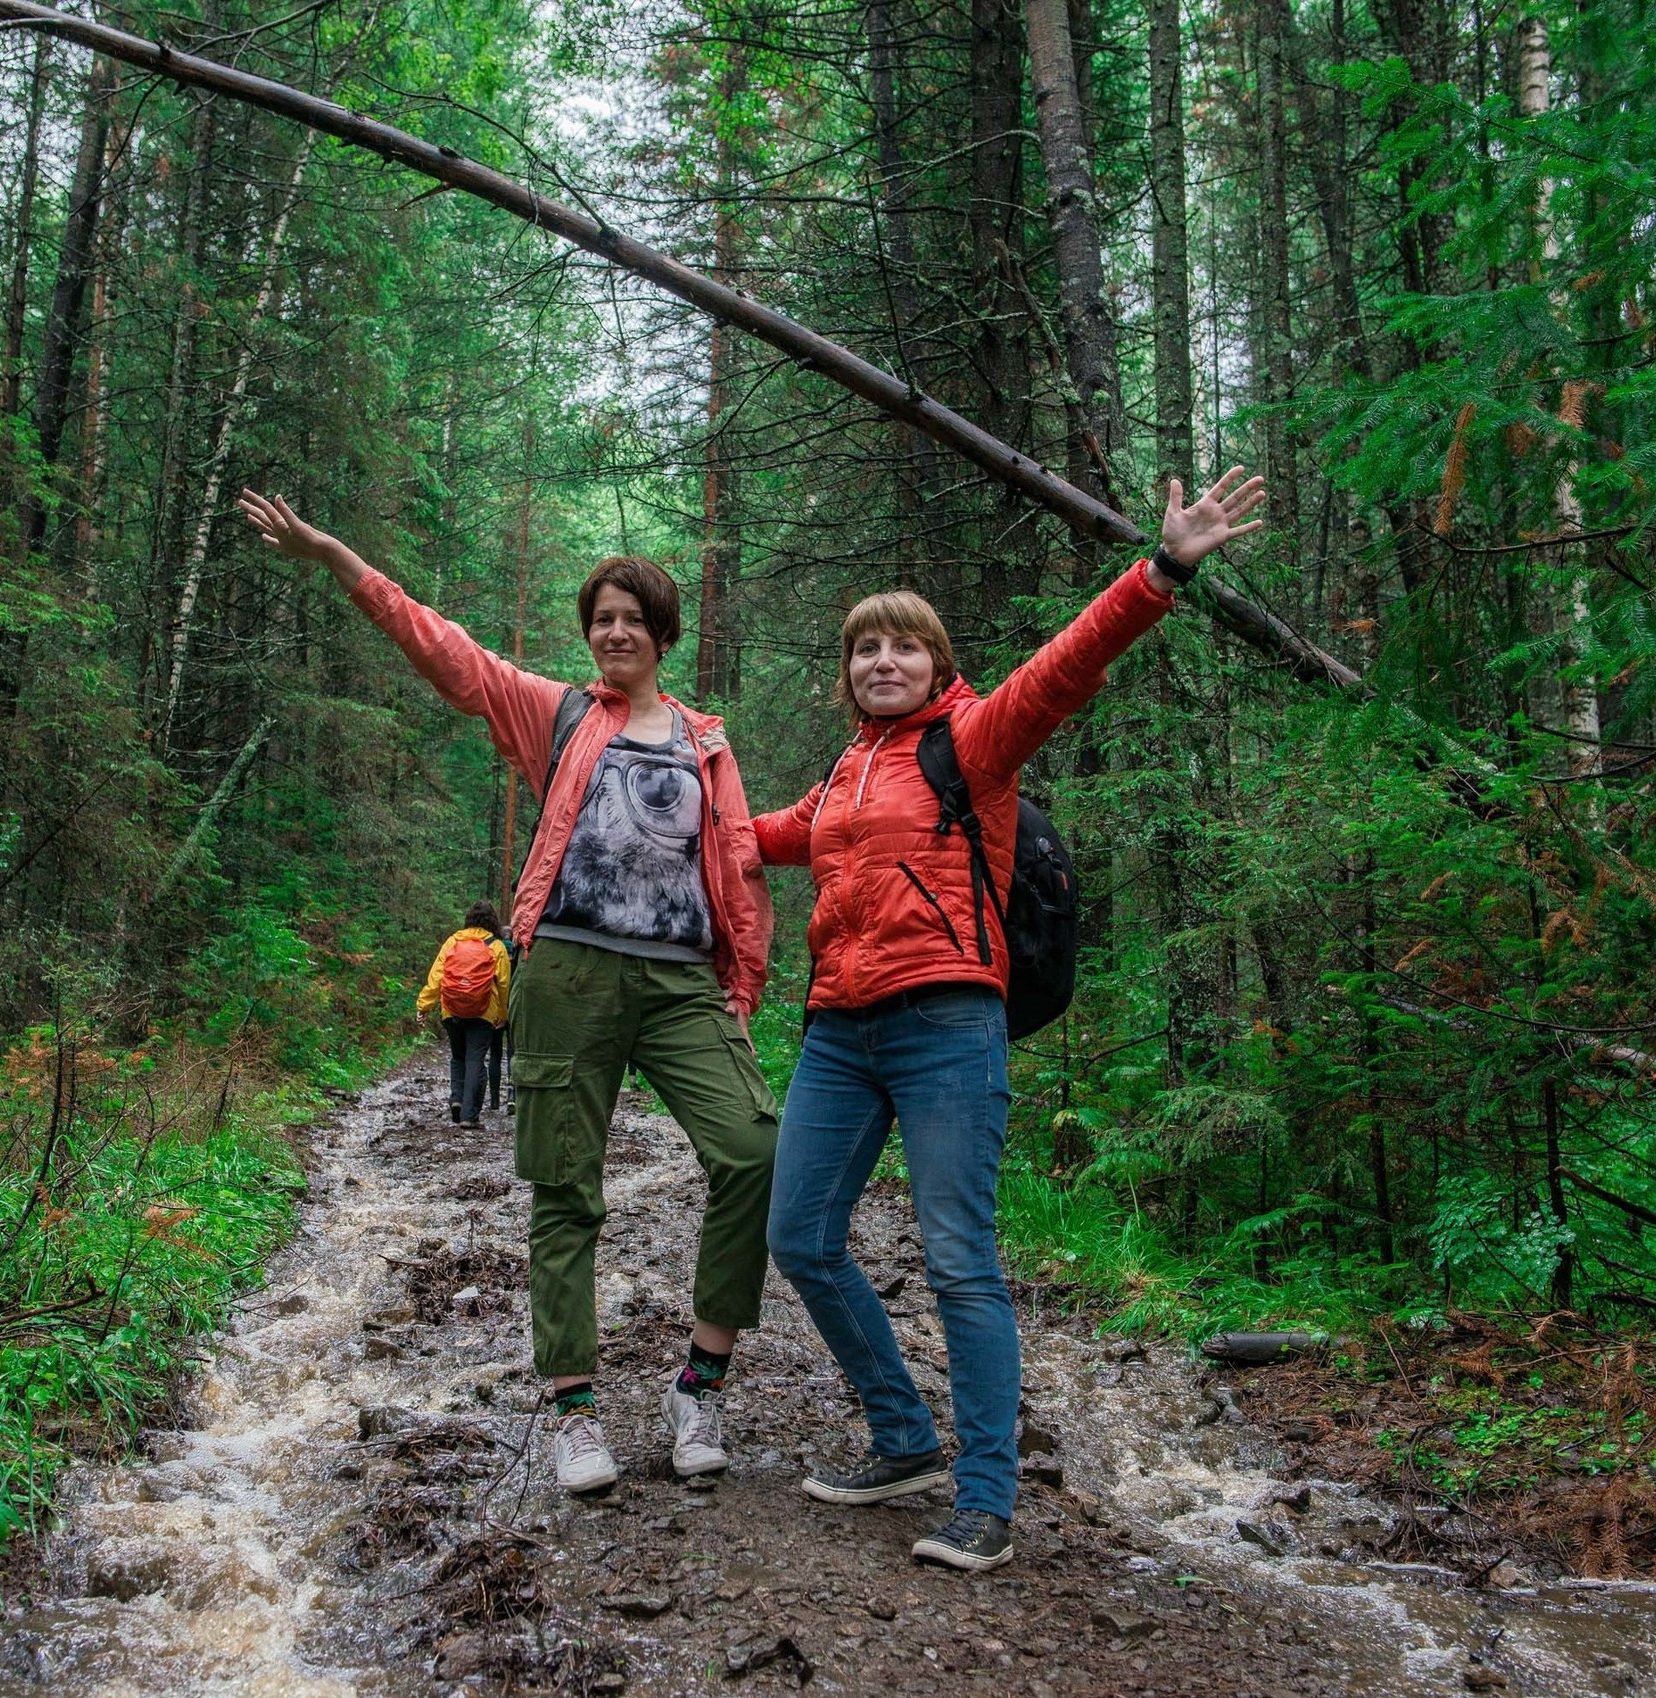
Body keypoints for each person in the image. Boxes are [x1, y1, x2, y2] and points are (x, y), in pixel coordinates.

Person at [757, 469, 1266, 1572]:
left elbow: (1066, 667)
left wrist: (1163, 567)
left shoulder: (973, 742)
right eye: (863, 650)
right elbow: (763, 837)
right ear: (846, 674)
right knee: (797, 1235)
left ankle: (984, 1496)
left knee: (959, 1261)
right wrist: (650, 795)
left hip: (946, 1024)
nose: (881, 662)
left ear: (937, 666)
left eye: (902, 648)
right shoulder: (845, 774)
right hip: (840, 1031)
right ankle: (903, 1437)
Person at [239, 492, 778, 1494]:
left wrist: (743, 977)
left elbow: (739, 860)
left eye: (631, 618)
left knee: (752, 1150)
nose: (613, 631)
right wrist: (337, 558)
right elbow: (447, 651)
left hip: (678, 980)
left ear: (663, 634)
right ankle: (574, 1410)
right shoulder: (561, 711)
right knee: (565, 1186)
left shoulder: (705, 741)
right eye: (599, 618)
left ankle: (699, 1384)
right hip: (569, 970)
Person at [418, 901, 511, 1126]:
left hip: (452, 1009)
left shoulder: (453, 941)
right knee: (475, 1059)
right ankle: (470, 1116)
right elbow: (504, 984)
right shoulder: (496, 946)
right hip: (483, 1012)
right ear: (493, 922)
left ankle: (457, 1099)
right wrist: (503, 1013)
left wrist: (423, 1006)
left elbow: (437, 976)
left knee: (457, 1057)